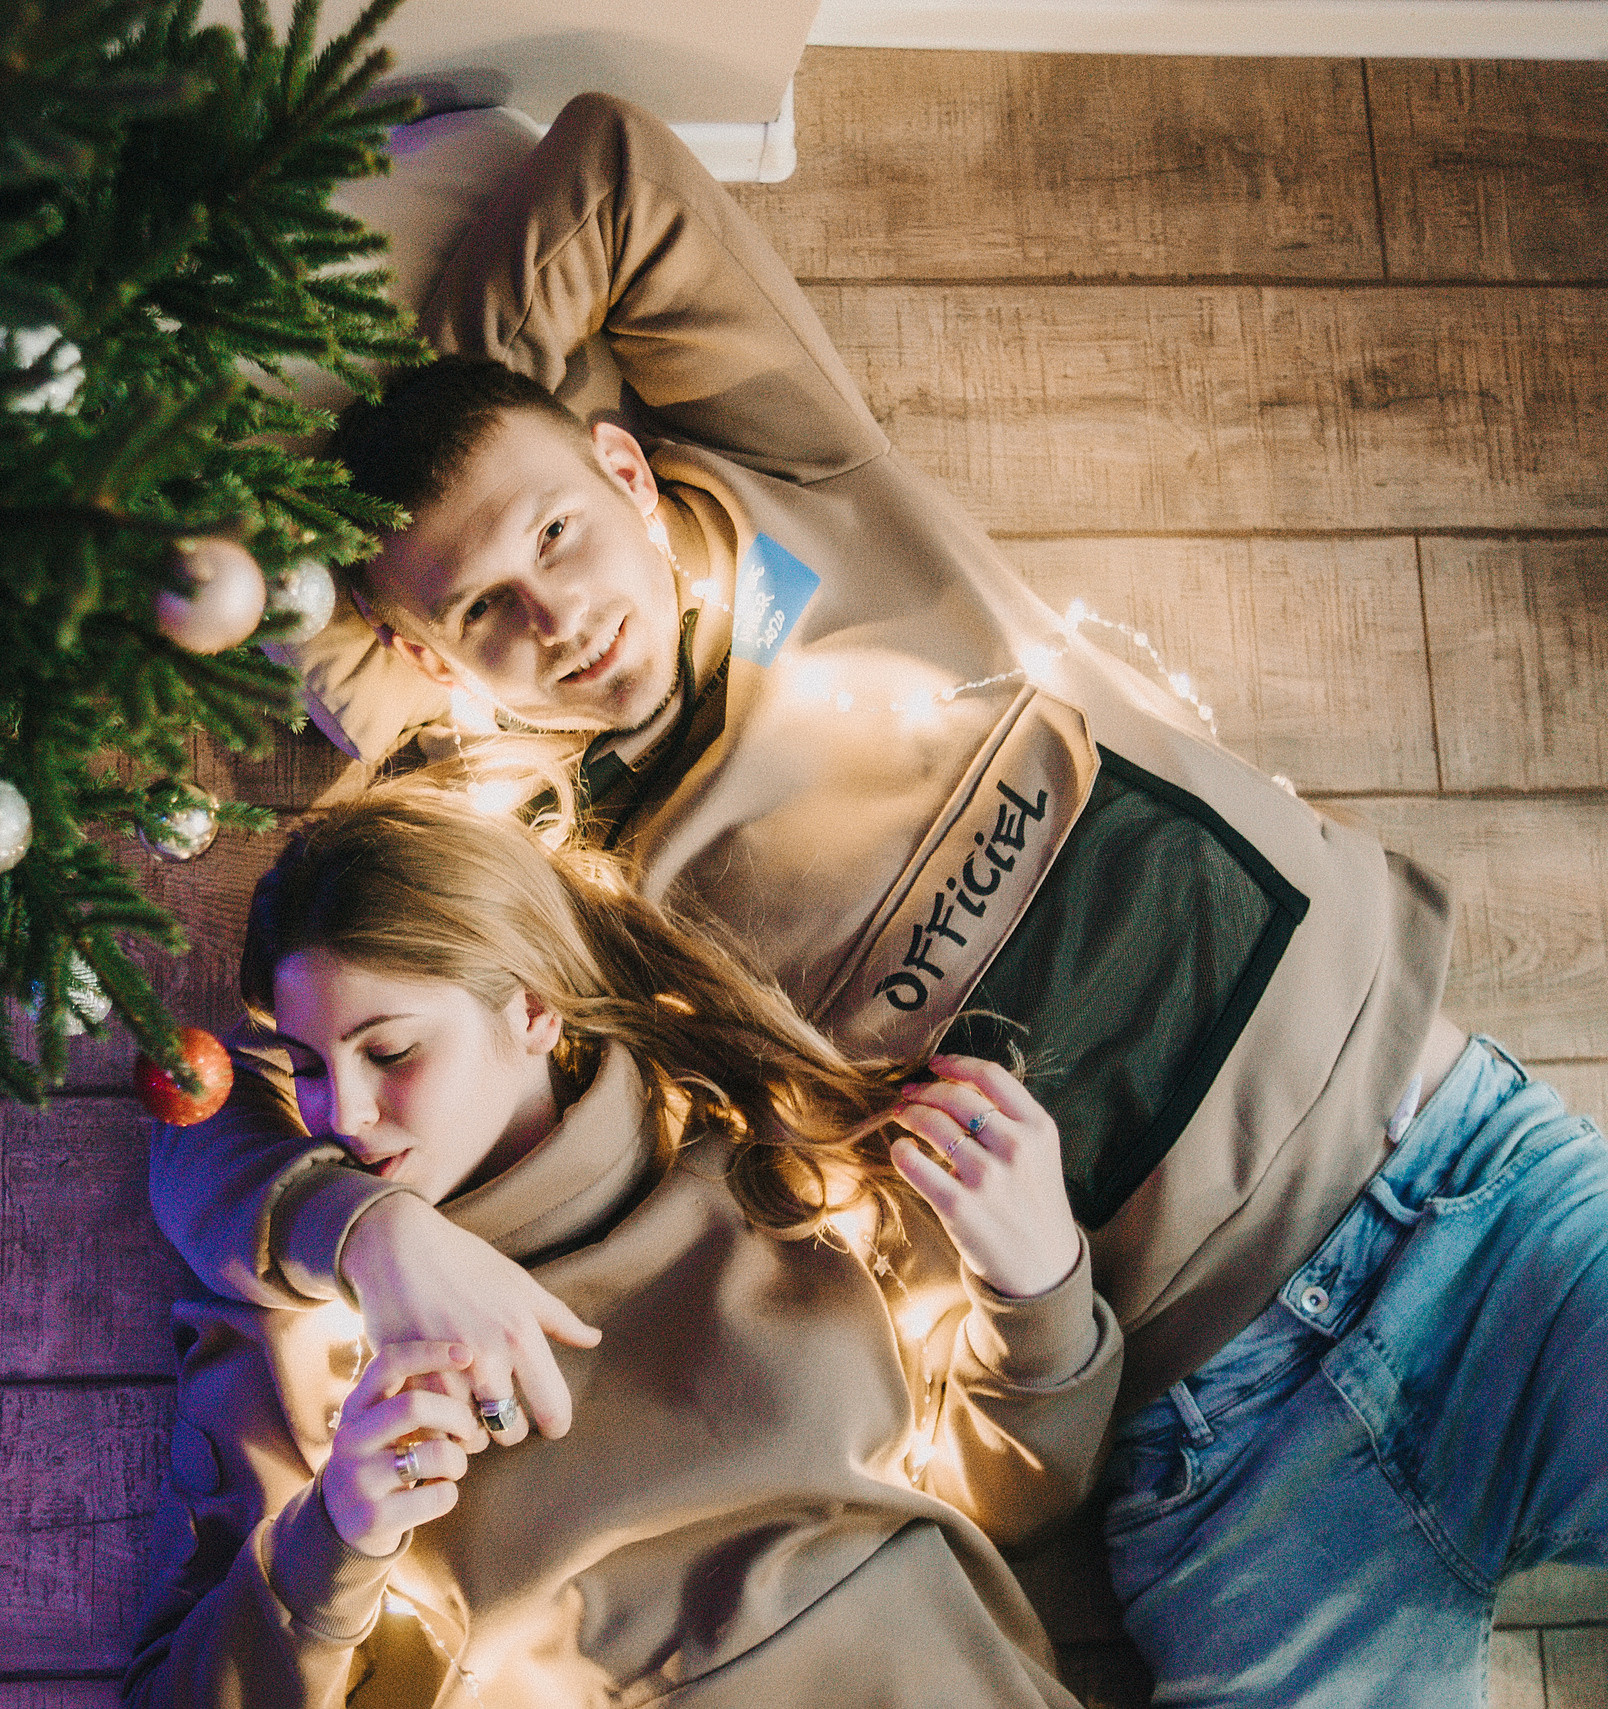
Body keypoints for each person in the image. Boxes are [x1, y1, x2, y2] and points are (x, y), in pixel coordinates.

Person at [149, 92, 1608, 1705]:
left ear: (628, 467)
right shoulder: (560, 866)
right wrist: (371, 1239)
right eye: (486, 608)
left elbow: (613, 174)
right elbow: (267, 673)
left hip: (1461, 1196)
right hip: (1221, 1447)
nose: (552, 613)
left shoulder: (802, 485)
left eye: (562, 529)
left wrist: (475, 405)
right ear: (436, 662)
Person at [125, 783, 1121, 1707]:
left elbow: (1019, 1501)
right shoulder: (305, 1325)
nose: (340, 1110)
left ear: (531, 1010)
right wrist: (334, 1534)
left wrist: (1036, 1289)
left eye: (392, 1051)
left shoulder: (760, 1151)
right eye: (304, 1063)